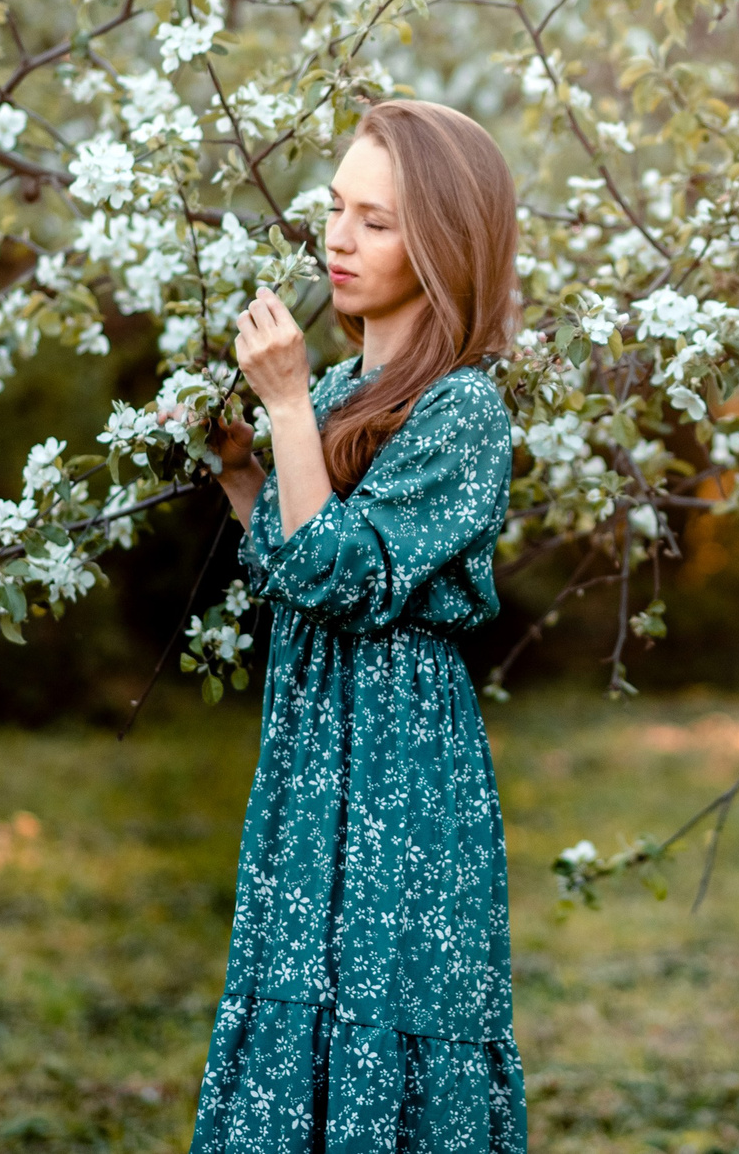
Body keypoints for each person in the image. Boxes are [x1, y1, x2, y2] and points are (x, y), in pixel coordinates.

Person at [187, 99, 526, 1154]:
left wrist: (288, 412)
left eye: (375, 221)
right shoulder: (339, 386)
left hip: (398, 763)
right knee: (300, 1003)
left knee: (385, 1005)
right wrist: (241, 464)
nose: (337, 237)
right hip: (312, 749)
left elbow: (347, 575)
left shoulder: (464, 409)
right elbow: (290, 568)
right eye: (336, 209)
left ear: (443, 242)